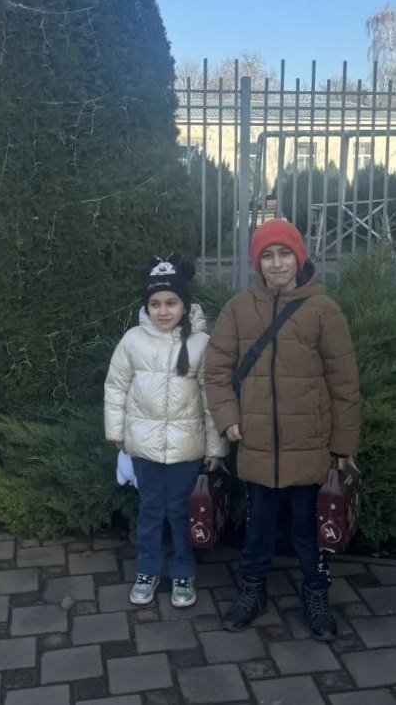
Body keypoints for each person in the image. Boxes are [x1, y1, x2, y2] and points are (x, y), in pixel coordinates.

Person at [205, 219, 360, 641]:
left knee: (308, 532)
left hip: (308, 445)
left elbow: (344, 383)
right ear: (257, 263)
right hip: (255, 445)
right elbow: (216, 370)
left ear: (299, 257)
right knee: (256, 529)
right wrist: (227, 416)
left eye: (284, 253)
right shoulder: (239, 309)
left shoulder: (323, 310)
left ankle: (316, 595)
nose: (276, 263)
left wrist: (343, 445)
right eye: (267, 256)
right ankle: (252, 592)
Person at [104, 258, 227, 608]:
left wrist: (215, 447)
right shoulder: (132, 341)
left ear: (184, 304)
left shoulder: (201, 343)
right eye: (155, 304)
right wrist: (117, 433)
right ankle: (147, 569)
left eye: (171, 302)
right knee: (150, 511)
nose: (163, 311)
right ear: (146, 306)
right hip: (144, 448)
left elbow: (211, 398)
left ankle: (183, 571)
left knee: (181, 512)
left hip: (187, 449)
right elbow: (116, 387)